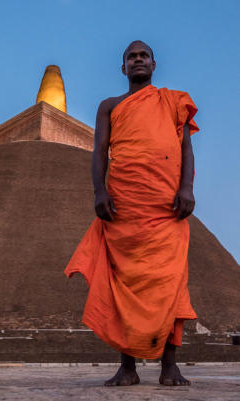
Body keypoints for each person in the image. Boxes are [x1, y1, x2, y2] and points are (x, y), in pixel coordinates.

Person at [64, 40, 199, 386]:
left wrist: (186, 189)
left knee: (170, 283)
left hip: (167, 208)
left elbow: (185, 149)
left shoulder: (172, 102)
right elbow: (99, 152)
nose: (138, 60)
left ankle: (170, 365)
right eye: (131, 57)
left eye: (143, 56)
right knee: (125, 284)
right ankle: (128, 366)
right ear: (123, 68)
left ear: (154, 64)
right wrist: (100, 190)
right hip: (125, 206)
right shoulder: (110, 106)